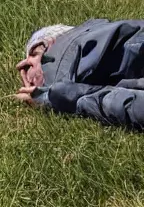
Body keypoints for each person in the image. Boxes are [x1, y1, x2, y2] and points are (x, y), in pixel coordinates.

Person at [15, 19, 144, 129]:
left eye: (33, 53)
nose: (27, 75)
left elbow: (127, 105)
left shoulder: (63, 60)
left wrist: (54, 98)